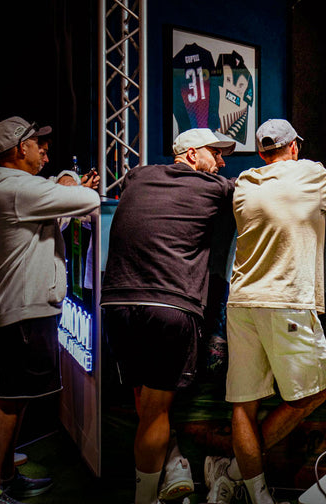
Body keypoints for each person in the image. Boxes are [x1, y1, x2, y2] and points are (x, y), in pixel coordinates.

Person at [220, 119, 326, 504]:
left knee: (244, 405)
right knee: (311, 395)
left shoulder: (245, 182)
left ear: (261, 152)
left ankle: (247, 486)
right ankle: (234, 471)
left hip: (242, 302)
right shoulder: (309, 174)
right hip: (287, 301)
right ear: (294, 147)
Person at [101, 128, 236, 504]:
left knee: (144, 402)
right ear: (192, 154)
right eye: (215, 153)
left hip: (116, 304)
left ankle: (172, 463)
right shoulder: (215, 188)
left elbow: (125, 187)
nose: (221, 162)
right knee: (155, 410)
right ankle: (146, 498)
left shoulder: (138, 176)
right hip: (169, 307)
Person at [0, 116, 99, 504]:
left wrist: (63, 185)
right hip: (23, 311)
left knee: (15, 396)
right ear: (21, 148)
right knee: (9, 399)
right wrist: (70, 182)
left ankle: (6, 475)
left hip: (19, 308)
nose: (45, 153)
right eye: (40, 146)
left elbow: (59, 211)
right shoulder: (18, 188)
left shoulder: (13, 187)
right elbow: (89, 201)